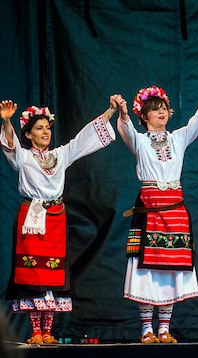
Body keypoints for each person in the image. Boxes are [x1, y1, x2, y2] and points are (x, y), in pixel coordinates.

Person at [0, 98, 118, 344]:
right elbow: (10, 144)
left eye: (47, 127)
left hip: (55, 218)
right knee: (34, 273)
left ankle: (48, 331)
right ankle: (35, 332)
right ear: (29, 134)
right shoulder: (23, 157)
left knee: (53, 273)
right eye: (39, 128)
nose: (45, 132)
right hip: (32, 217)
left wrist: (110, 111)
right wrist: (6, 120)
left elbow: (83, 139)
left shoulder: (59, 155)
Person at [119, 84, 198, 344]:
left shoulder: (178, 138)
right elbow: (126, 129)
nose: (161, 113)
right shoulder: (140, 141)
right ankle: (146, 328)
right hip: (149, 208)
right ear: (143, 116)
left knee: (172, 267)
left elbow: (196, 123)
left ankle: (164, 328)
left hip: (174, 210)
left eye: (164, 109)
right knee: (146, 270)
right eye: (155, 110)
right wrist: (123, 113)